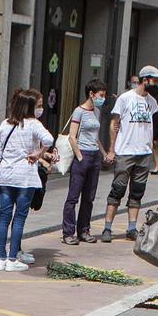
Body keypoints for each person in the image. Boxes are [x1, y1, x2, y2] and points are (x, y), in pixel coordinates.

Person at [0, 89, 52, 273]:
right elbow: (49, 139)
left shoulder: (5, 124)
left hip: (6, 176)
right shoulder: (33, 124)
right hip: (25, 176)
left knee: (4, 217)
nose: (40, 109)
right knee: (19, 218)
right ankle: (12, 257)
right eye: (38, 106)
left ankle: (1, 258)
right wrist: (39, 153)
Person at [101, 70, 158, 240]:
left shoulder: (152, 101)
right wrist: (112, 149)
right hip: (126, 151)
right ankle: (107, 228)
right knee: (117, 189)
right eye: (154, 80)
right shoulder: (125, 98)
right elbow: (114, 123)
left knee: (137, 191)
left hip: (144, 152)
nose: (157, 84)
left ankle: (131, 228)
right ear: (145, 79)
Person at [61, 81, 107, 246]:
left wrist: (103, 153)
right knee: (73, 197)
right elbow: (72, 136)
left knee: (89, 197)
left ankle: (84, 230)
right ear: (91, 94)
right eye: (100, 95)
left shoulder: (97, 111)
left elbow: (96, 137)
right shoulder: (79, 111)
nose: (103, 98)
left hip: (94, 156)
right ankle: (68, 232)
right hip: (83, 155)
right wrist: (79, 156)